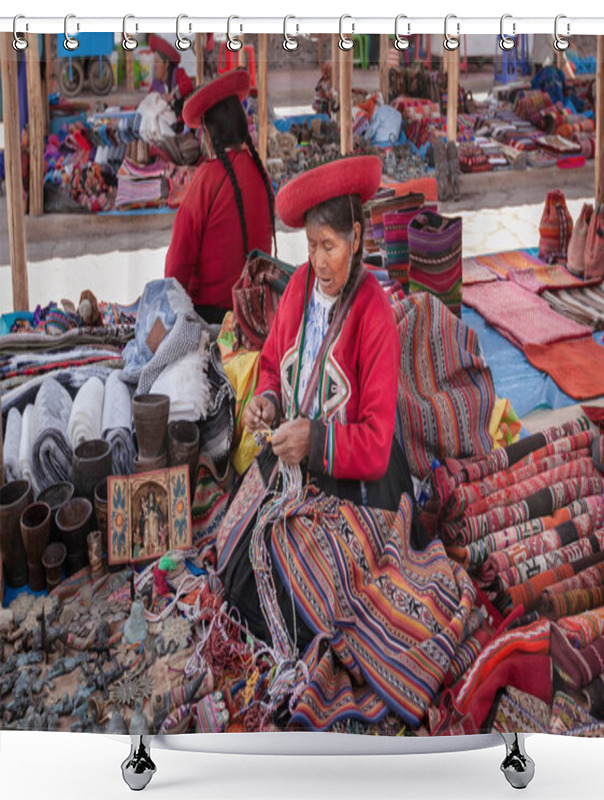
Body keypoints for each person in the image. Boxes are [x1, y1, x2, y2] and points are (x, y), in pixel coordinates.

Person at [221, 154, 425, 646]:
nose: (318, 260)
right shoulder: (297, 289)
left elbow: (377, 444)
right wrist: (267, 400)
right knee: (236, 561)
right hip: (291, 452)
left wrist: (315, 440)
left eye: (329, 246)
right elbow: (271, 363)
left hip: (355, 479)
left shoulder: (374, 315)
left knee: (309, 602)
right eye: (311, 246)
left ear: (356, 239)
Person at [164, 69, 276, 324]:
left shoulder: (206, 179)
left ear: (208, 133)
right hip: (255, 312)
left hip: (210, 317)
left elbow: (176, 266)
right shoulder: (262, 175)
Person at [147, 35, 194, 123]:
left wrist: (172, 96)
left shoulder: (178, 73)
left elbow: (188, 85)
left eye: (157, 62)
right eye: (154, 62)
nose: (154, 66)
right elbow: (148, 100)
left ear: (166, 64)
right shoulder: (155, 84)